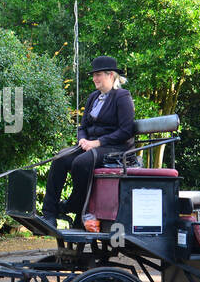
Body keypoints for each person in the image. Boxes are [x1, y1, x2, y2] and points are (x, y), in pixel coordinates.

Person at [41, 55, 136, 226]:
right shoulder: (93, 97)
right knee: (60, 159)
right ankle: (49, 213)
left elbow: (126, 131)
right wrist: (83, 140)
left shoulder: (122, 97)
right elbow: (82, 127)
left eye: (98, 74)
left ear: (111, 75)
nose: (94, 78)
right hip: (91, 146)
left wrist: (97, 143)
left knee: (80, 163)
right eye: (94, 75)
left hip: (115, 148)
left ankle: (75, 207)